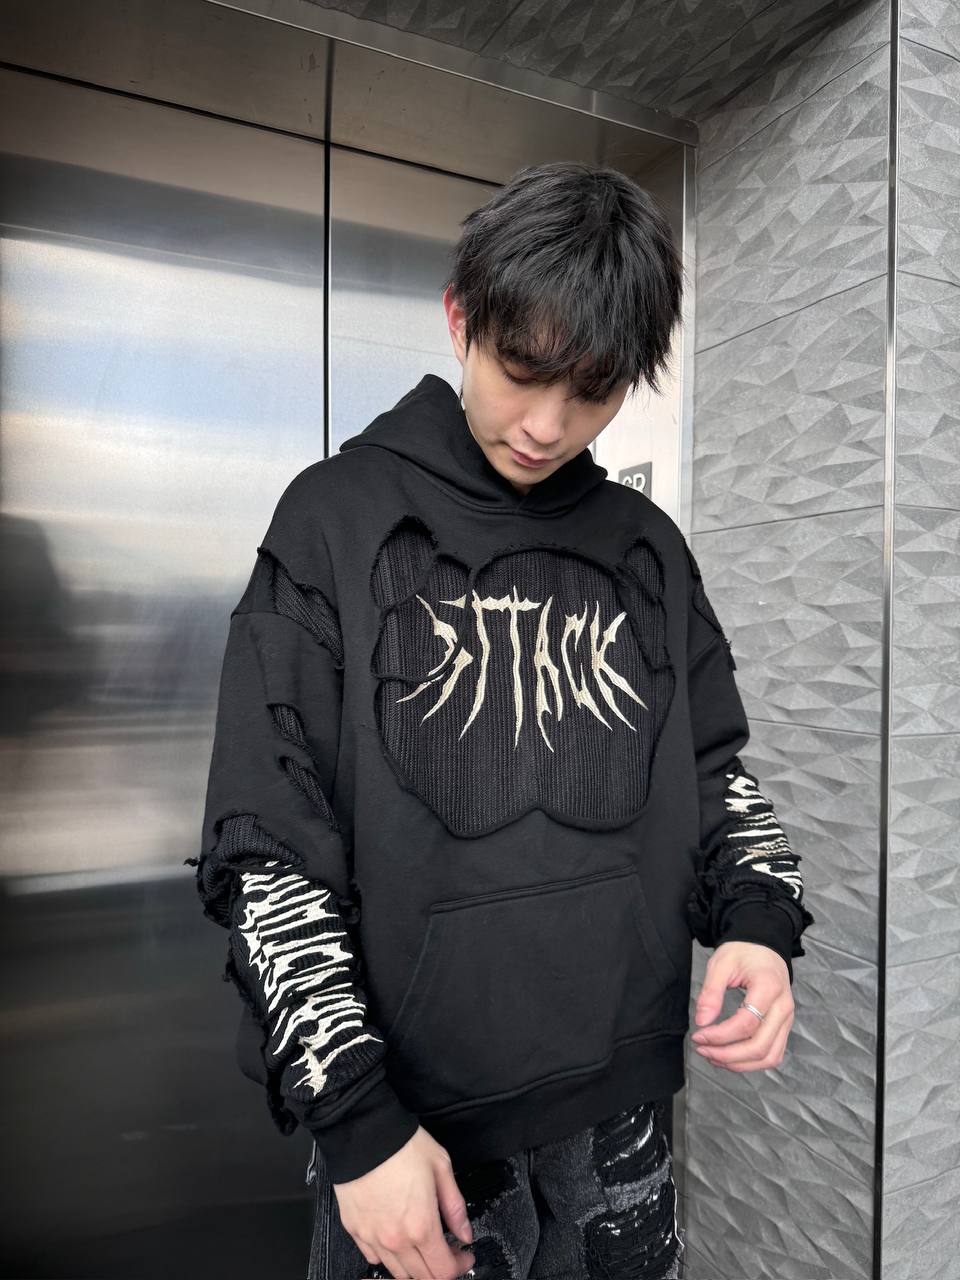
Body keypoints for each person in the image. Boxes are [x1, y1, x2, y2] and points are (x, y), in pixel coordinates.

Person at [187, 161, 815, 1280]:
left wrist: (759, 920)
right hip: (412, 1135)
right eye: (522, 371)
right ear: (459, 316)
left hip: (619, 1119)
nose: (546, 425)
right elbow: (267, 846)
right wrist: (357, 1122)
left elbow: (714, 771)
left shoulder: (648, 549)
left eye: (594, 391)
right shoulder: (335, 520)